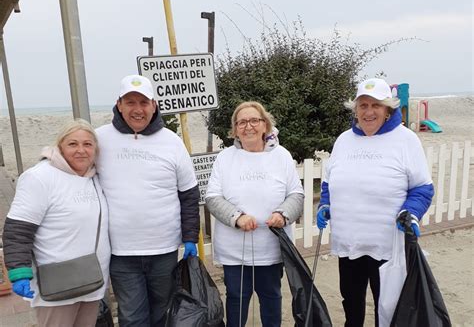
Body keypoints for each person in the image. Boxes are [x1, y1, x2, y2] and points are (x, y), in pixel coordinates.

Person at [316, 78, 434, 327]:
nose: (369, 112)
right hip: (350, 242)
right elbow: (329, 181)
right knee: (351, 302)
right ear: (355, 109)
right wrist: (325, 204)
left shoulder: (406, 140)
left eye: (376, 106)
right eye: (363, 105)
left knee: (388, 306)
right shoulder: (343, 140)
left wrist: (411, 212)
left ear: (387, 109)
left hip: (388, 244)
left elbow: (422, 188)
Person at [95, 74, 200, 326]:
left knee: (164, 313)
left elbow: (189, 194)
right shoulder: (99, 139)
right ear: (119, 104)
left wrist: (189, 237)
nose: (138, 110)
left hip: (163, 250)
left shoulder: (172, 142)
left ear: (154, 105)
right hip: (120, 252)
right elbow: (72, 167)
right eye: (130, 102)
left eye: (144, 103)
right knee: (132, 316)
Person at [3, 119, 110, 327]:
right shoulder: (40, 177)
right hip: (56, 286)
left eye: (88, 144)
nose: (81, 150)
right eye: (73, 144)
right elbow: (18, 230)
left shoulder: (94, 178)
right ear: (59, 146)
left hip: (93, 281)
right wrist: (19, 272)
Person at [205, 101, 304, 327]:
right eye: (241, 122)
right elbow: (212, 197)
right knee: (237, 299)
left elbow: (296, 195)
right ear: (235, 129)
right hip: (234, 253)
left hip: (270, 249)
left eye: (254, 120)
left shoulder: (281, 155)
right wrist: (237, 217)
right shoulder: (225, 158)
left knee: (271, 298)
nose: (248, 126)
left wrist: (283, 214)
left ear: (265, 125)